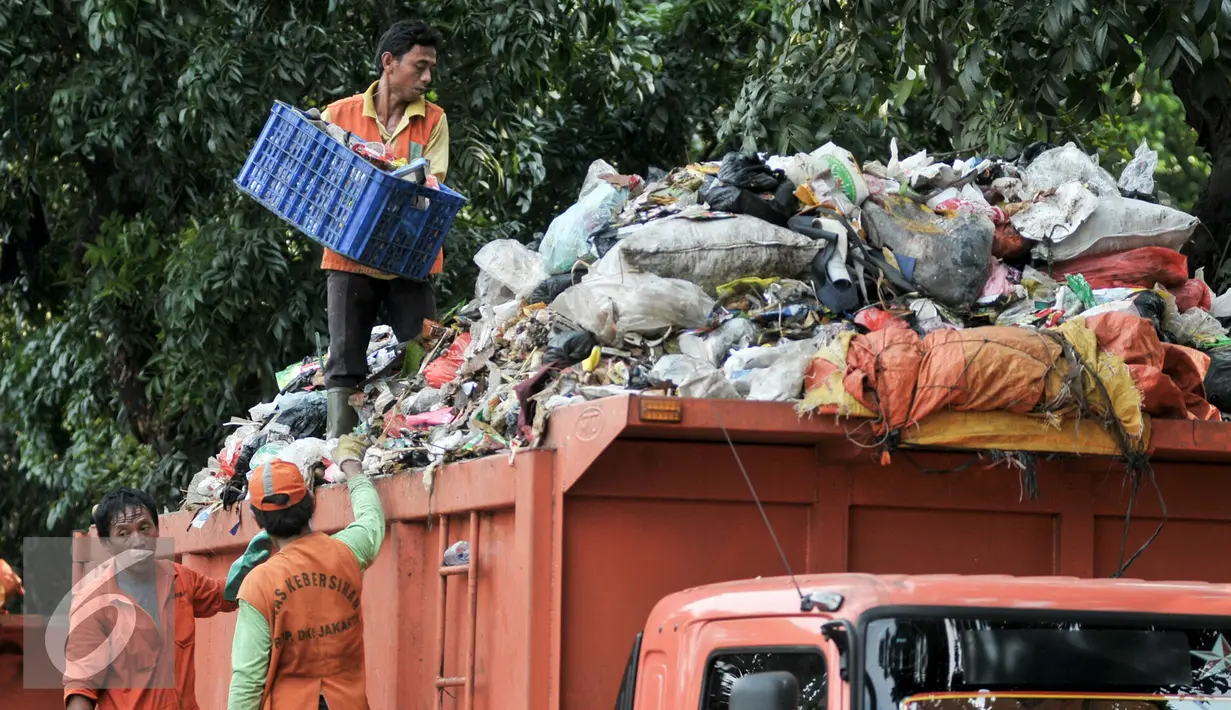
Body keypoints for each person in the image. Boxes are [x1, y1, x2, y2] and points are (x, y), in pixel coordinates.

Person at [319, 19, 450, 439]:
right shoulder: (338, 114)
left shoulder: (434, 120)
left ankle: (423, 435)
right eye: (420, 66)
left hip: (409, 257)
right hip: (349, 256)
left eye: (432, 68)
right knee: (343, 362)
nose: (428, 77)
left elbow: (434, 186)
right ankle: (341, 450)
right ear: (389, 63)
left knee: (426, 353)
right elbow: (325, 182)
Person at [227, 434, 383, 710]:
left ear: (256, 520)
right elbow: (371, 519)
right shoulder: (346, 553)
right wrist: (351, 468)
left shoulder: (258, 584)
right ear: (311, 502)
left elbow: (248, 681)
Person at [64, 488, 238, 710]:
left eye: (144, 528)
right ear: (107, 543)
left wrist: (257, 570)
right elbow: (81, 686)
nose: (138, 541)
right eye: (124, 533)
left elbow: (224, 594)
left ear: (157, 531)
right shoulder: (92, 603)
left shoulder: (180, 578)